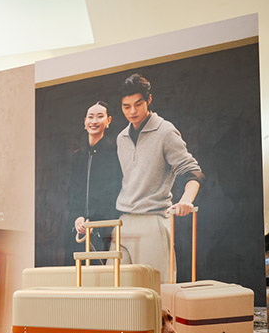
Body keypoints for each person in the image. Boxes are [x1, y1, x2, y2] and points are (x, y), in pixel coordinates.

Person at [114, 74, 204, 283]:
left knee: (156, 290)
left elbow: (192, 171)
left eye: (138, 104)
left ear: (149, 100)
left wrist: (186, 200)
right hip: (123, 221)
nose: (132, 111)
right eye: (126, 106)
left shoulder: (165, 131)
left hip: (153, 220)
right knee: (117, 291)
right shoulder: (121, 138)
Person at [66, 101, 122, 263]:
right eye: (90, 117)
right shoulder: (78, 156)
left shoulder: (115, 154)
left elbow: (114, 192)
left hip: (104, 228)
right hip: (79, 227)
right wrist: (77, 217)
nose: (94, 121)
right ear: (85, 121)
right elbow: (73, 192)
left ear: (108, 120)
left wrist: (95, 220)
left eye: (100, 116)